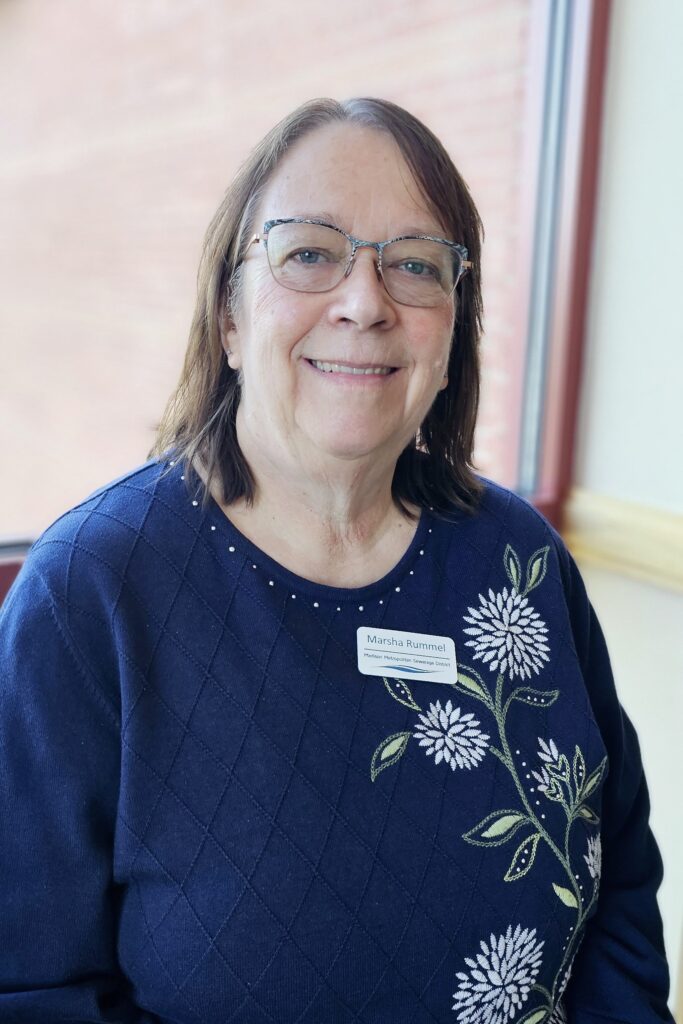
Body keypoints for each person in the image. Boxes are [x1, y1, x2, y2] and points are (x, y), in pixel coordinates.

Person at [0, 98, 673, 1024]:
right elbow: (30, 989)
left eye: (414, 264)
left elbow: (620, 896)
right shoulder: (89, 593)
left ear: (449, 337)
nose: (365, 303)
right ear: (229, 317)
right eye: (309, 252)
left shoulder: (520, 561)